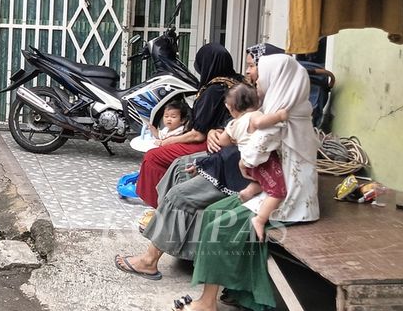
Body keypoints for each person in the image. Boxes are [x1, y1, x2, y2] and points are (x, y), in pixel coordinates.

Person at [115, 43, 286, 280]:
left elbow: (251, 139)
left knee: (178, 194)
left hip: (243, 173)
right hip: (229, 159)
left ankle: (149, 261)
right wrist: (219, 132)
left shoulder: (274, 103)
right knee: (179, 169)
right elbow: (236, 126)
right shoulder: (259, 93)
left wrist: (220, 138)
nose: (247, 72)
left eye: (251, 66)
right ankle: (178, 245)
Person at [175, 54, 319, 311]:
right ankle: (235, 291)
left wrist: (243, 161)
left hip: (286, 202)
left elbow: (254, 153)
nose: (256, 79)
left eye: (259, 72)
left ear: (279, 79)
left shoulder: (281, 118)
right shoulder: (292, 111)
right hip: (279, 191)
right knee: (213, 214)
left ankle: (208, 303)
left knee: (219, 222)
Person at [135, 43, 243, 208]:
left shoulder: (214, 90)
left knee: (153, 157)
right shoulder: (237, 82)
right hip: (224, 139)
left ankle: (159, 207)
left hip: (209, 143)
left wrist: (167, 141)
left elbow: (197, 134)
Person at [220, 83, 290, 242]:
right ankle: (260, 219)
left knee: (265, 183)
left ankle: (248, 192)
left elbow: (223, 141)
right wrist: (279, 116)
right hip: (262, 163)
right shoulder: (254, 116)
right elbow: (260, 123)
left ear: (230, 108)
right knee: (278, 191)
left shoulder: (233, 124)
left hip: (249, 164)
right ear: (256, 103)